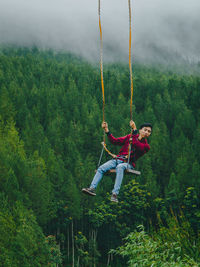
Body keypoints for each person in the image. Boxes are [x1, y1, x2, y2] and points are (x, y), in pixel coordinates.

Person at [82, 120, 152, 203]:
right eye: (145, 130)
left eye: (149, 131)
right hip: (118, 159)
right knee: (101, 168)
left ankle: (115, 194)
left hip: (128, 163)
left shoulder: (146, 146)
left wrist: (135, 130)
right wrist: (107, 130)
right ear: (141, 130)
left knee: (120, 167)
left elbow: (136, 145)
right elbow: (114, 141)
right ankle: (92, 188)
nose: (146, 132)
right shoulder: (130, 137)